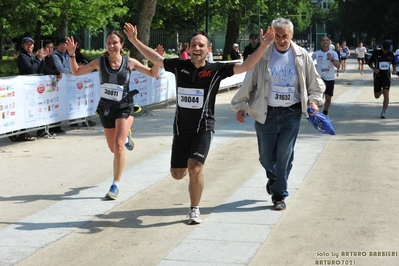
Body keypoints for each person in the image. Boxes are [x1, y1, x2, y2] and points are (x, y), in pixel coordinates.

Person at [123, 22, 275, 224]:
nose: (197, 49)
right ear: (189, 48)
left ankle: (194, 209)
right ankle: (187, 168)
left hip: (203, 128)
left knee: (195, 169)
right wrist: (134, 40)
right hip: (181, 129)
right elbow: (156, 58)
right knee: (178, 174)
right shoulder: (179, 66)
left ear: (208, 49)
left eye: (201, 45)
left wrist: (262, 46)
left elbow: (246, 66)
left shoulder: (216, 70)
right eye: (194, 45)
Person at [231, 17, 325, 211]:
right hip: (266, 113)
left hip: (291, 112)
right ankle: (274, 178)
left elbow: (315, 84)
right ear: (272, 35)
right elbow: (249, 82)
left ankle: (279, 194)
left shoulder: (302, 56)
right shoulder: (263, 55)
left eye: (286, 36)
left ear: (291, 35)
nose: (281, 40)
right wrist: (240, 105)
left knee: (284, 154)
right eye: (278, 36)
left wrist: (314, 102)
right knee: (265, 157)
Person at [65, 29, 160, 200]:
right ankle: (126, 137)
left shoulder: (130, 62)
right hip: (106, 108)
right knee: (113, 148)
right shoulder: (99, 62)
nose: (111, 46)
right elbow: (76, 72)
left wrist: (158, 62)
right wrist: (71, 55)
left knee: (118, 146)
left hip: (124, 106)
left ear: (122, 44)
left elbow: (153, 74)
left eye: (115, 42)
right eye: (108, 42)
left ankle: (115, 184)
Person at [11, 36, 47, 142]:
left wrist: (42, 59)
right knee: (23, 111)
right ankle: (19, 133)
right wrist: (39, 59)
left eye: (31, 44)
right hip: (24, 88)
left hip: (31, 88)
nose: (30, 46)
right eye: (27, 44)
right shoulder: (22, 57)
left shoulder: (30, 56)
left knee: (29, 110)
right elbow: (31, 70)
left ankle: (26, 132)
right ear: (22, 46)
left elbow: (39, 70)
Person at [36, 39, 64, 138]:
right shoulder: (41, 58)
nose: (50, 49)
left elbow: (53, 68)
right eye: (48, 47)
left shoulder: (51, 57)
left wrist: (57, 72)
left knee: (53, 106)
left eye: (52, 48)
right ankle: (41, 130)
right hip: (41, 88)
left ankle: (54, 127)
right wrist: (56, 72)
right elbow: (45, 70)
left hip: (51, 88)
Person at [69, 35, 96, 127]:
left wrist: (84, 65)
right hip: (73, 79)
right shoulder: (69, 53)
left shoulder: (79, 53)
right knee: (73, 99)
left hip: (82, 79)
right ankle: (73, 119)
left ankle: (85, 119)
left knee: (84, 99)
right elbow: (74, 69)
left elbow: (84, 63)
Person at [312, 36, 340, 121]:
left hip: (330, 78)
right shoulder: (316, 53)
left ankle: (325, 112)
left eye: (327, 40)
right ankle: (317, 114)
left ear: (329, 42)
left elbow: (338, 66)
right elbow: (309, 62)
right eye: (323, 40)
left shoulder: (333, 53)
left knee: (328, 99)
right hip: (319, 78)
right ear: (321, 43)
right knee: (319, 97)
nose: (325, 42)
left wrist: (331, 59)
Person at [367, 41, 396, 119]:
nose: (386, 51)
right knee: (376, 96)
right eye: (385, 49)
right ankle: (382, 91)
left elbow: (394, 62)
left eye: (387, 49)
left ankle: (383, 112)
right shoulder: (376, 53)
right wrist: (374, 69)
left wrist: (394, 69)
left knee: (386, 94)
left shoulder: (390, 54)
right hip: (378, 76)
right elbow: (369, 62)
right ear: (382, 47)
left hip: (386, 76)